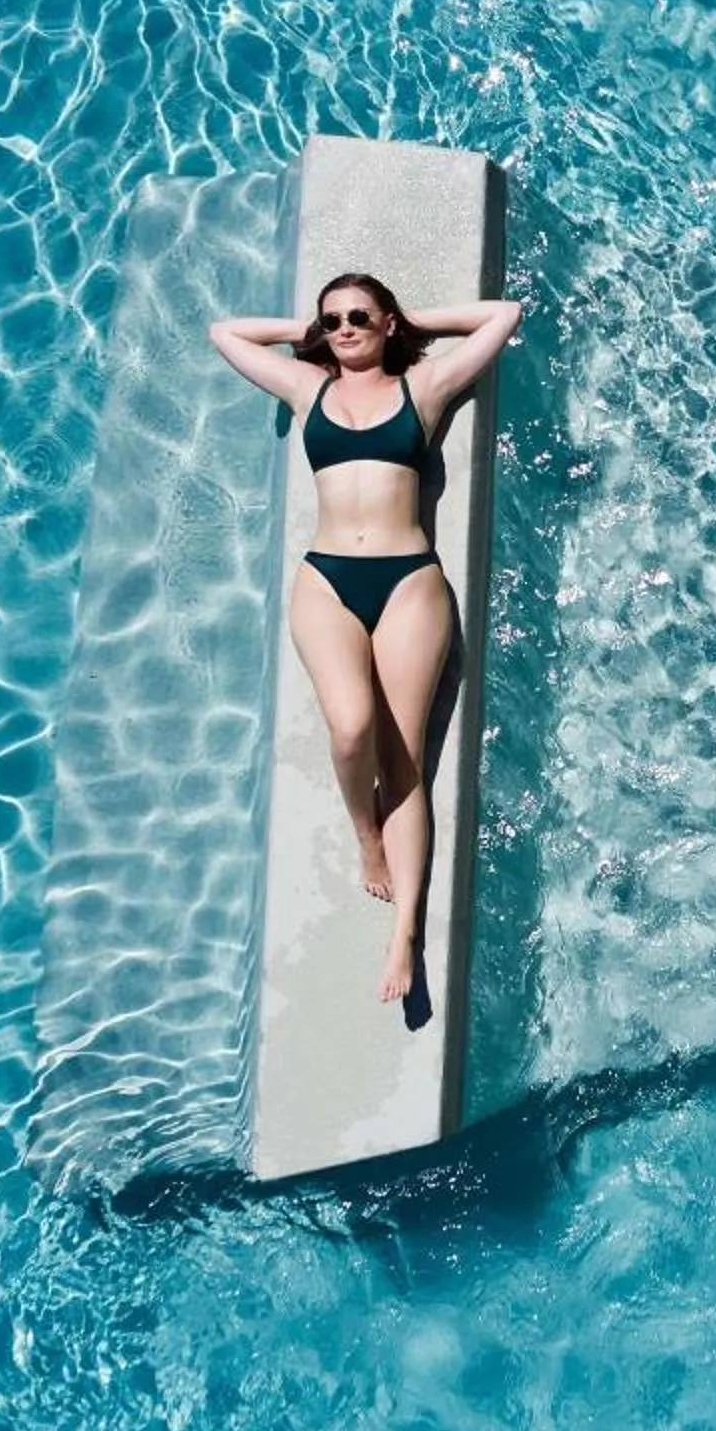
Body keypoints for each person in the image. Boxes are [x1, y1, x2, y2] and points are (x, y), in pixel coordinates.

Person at [209, 273, 524, 1004]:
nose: (344, 328)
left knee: (404, 757)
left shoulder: (425, 388)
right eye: (333, 320)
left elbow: (501, 316)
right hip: (326, 582)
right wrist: (307, 331)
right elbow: (225, 334)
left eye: (359, 317)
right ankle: (366, 836)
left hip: (410, 581)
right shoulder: (304, 388)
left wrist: (413, 315)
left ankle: (405, 931)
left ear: (386, 322)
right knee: (351, 728)